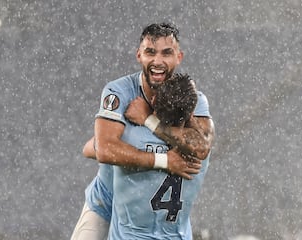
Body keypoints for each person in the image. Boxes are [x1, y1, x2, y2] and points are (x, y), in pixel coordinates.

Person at [73, 22, 214, 239]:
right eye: (150, 52)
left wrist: (149, 121)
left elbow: (202, 147)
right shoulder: (119, 92)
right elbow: (102, 150)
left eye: (166, 53)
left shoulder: (192, 99)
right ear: (139, 55)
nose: (157, 61)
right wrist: (165, 161)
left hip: (141, 222)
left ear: (179, 57)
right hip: (107, 201)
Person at [71, 73, 202, 240]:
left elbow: (91, 149)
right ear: (192, 113)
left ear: (153, 102)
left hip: (117, 214)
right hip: (170, 231)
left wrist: (155, 155)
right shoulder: (198, 149)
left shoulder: (130, 134)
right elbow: (200, 142)